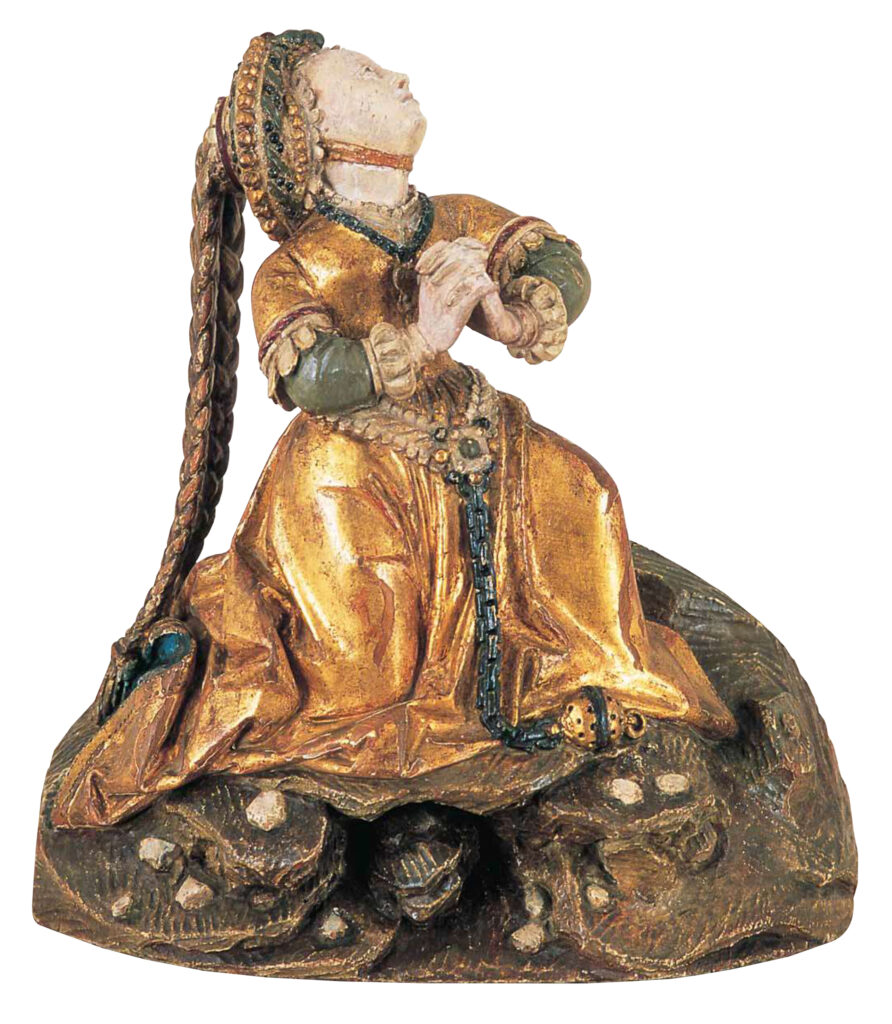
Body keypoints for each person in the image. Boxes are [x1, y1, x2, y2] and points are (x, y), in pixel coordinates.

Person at [52, 31, 735, 831]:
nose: (399, 75)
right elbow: (311, 377)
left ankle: (575, 676)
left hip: (469, 427)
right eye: (367, 76)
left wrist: (516, 315)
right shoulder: (299, 266)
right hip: (347, 465)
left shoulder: (455, 217)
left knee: (584, 494)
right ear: (309, 135)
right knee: (363, 663)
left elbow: (557, 261)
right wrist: (419, 338)